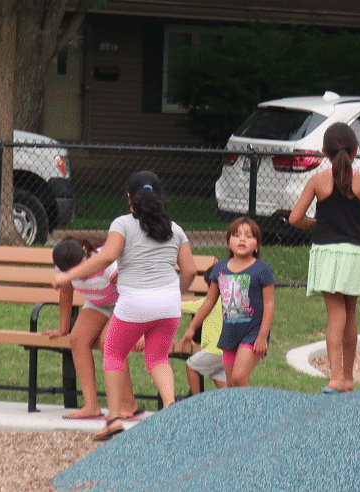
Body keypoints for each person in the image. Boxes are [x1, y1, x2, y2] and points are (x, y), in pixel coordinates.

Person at [53, 171, 196, 441]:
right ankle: (169, 407)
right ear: (159, 196)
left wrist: (67, 276)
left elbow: (106, 257)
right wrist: (173, 293)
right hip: (168, 306)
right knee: (157, 359)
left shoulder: (123, 224)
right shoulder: (174, 229)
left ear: (129, 198)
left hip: (134, 303)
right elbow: (190, 270)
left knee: (113, 352)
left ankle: (114, 418)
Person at [288, 122, 360, 393]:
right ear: (356, 150)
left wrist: (317, 223)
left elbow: (295, 218)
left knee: (335, 316)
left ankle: (335, 378)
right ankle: (349, 378)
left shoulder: (318, 181)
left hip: (327, 253)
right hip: (355, 254)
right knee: (350, 314)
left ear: (324, 152)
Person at [44, 237, 143, 421]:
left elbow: (132, 292)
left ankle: (129, 404)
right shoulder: (62, 268)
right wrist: (63, 329)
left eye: (79, 267)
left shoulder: (106, 264)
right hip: (99, 304)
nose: (78, 275)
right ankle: (91, 406)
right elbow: (66, 294)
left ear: (85, 251)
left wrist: (139, 329)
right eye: (71, 272)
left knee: (110, 341)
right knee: (77, 339)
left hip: (124, 303)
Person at [180, 217, 274, 388]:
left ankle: (257, 409)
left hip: (252, 334)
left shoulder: (262, 269)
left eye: (249, 236)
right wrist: (192, 328)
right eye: (237, 235)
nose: (242, 239)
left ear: (257, 245)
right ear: (229, 243)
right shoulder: (220, 268)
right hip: (230, 334)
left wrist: (262, 336)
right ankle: (240, 414)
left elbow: (269, 305)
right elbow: (209, 301)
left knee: (239, 378)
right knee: (231, 385)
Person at [180, 264, 227, 393]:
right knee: (220, 380)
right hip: (228, 350)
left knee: (191, 365)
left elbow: (183, 307)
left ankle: (196, 401)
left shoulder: (207, 303)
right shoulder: (230, 302)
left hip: (215, 350)